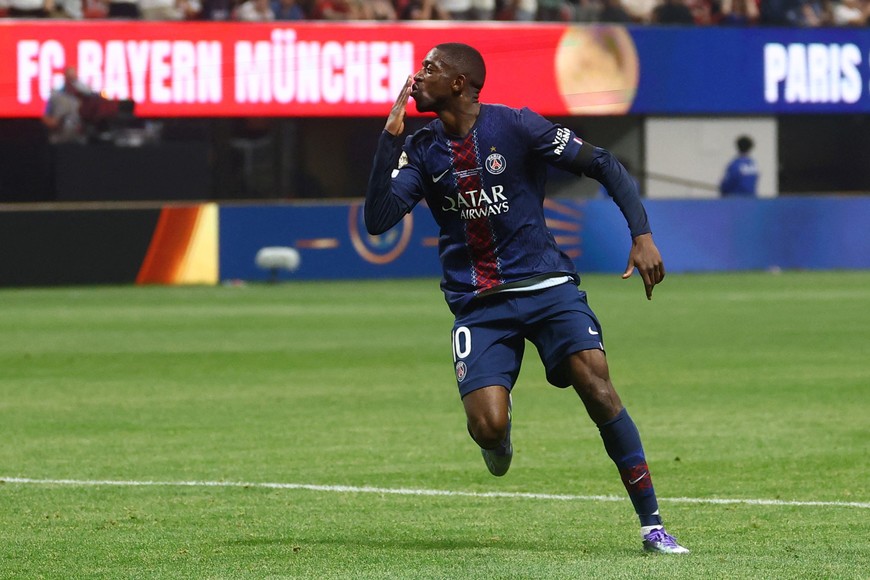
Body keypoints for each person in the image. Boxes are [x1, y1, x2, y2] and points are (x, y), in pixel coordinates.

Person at [365, 42, 689, 554]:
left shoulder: (516, 126)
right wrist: (389, 139)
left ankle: (652, 525)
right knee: (488, 429)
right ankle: (499, 430)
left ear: (458, 83)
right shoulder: (422, 148)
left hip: (546, 287)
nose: (416, 75)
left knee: (599, 388)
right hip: (479, 304)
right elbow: (379, 220)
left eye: (430, 68)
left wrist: (642, 234)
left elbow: (602, 163)